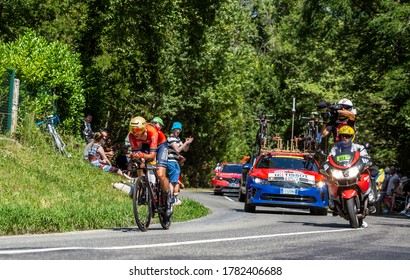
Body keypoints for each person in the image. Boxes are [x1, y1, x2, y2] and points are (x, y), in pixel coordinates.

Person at [128, 116, 173, 218]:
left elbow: (152, 156)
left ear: (143, 129)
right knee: (140, 164)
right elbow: (135, 153)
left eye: (138, 130)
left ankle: (168, 200)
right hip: (146, 145)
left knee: (160, 174)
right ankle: (144, 186)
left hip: (161, 144)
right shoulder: (132, 136)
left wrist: (141, 155)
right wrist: (137, 157)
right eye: (132, 130)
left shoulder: (152, 131)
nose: (135, 133)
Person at [328, 125, 376, 214]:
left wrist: (367, 161)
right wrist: (326, 165)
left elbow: (365, 156)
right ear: (340, 136)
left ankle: (371, 198)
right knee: (328, 178)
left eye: (347, 136)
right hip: (340, 171)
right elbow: (329, 159)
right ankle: (333, 200)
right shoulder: (335, 148)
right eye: (343, 136)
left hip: (355, 169)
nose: (345, 138)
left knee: (370, 173)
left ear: (352, 137)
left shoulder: (359, 147)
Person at [166, 122, 194, 206]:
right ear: (173, 129)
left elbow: (185, 150)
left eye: (179, 130)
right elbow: (177, 150)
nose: (178, 131)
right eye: (176, 129)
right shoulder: (171, 138)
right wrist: (185, 143)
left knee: (174, 182)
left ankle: (171, 200)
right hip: (170, 162)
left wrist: (187, 143)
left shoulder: (177, 139)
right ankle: (169, 201)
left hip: (175, 162)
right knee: (173, 182)